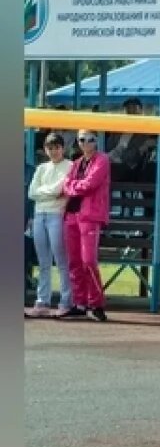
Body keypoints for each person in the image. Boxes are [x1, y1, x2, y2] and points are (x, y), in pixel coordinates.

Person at [61, 129, 112, 321]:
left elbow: (90, 184)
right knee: (74, 261)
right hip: (72, 215)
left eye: (90, 139)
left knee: (88, 261)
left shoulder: (102, 160)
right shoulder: (76, 163)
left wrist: (73, 187)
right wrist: (74, 186)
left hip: (90, 216)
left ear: (96, 141)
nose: (86, 143)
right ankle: (80, 302)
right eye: (82, 139)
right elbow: (66, 184)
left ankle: (97, 303)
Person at [27, 133, 74, 316]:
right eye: (50, 148)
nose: (54, 151)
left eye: (57, 147)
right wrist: (50, 193)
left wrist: (46, 192)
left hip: (57, 214)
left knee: (61, 259)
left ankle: (65, 300)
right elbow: (32, 192)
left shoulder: (69, 166)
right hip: (40, 214)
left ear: (63, 148)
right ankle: (42, 300)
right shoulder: (41, 168)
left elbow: (59, 189)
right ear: (46, 149)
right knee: (43, 261)